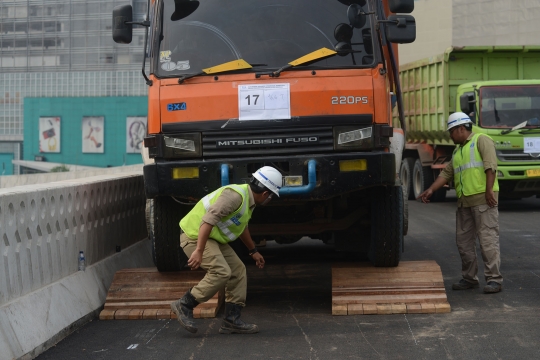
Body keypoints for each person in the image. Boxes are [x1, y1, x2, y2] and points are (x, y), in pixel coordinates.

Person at [171, 166, 283, 334]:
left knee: (238, 270)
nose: (270, 200)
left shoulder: (248, 201)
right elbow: (208, 220)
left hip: (212, 239)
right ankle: (184, 304)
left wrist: (253, 251)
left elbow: (241, 226)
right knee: (221, 271)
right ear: (266, 194)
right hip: (195, 235)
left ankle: (232, 320)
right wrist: (199, 251)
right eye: (272, 196)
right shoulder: (235, 196)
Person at [418, 112, 503, 294]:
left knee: (488, 240)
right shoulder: (458, 151)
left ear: (461, 129)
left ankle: (494, 279)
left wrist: (489, 191)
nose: (450, 136)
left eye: (451, 132)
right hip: (464, 203)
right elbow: (446, 173)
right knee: (463, 243)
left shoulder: (482, 140)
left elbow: (491, 166)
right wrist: (431, 189)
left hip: (483, 200)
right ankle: (469, 278)